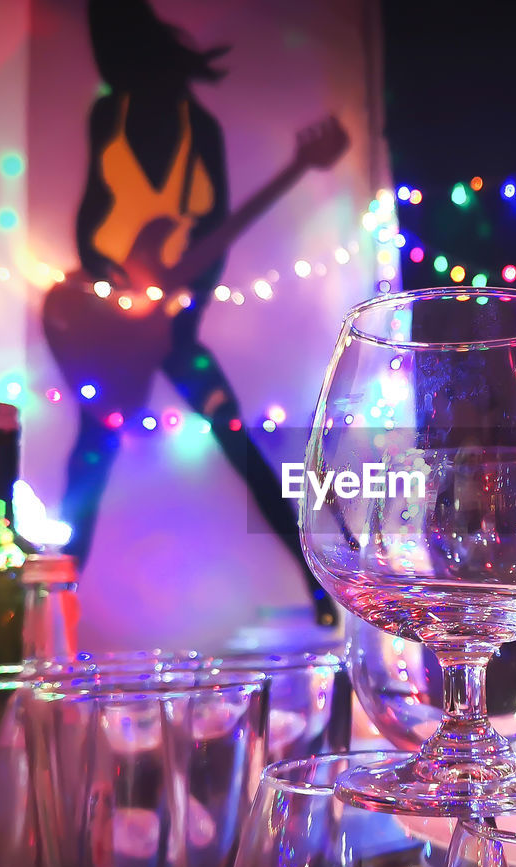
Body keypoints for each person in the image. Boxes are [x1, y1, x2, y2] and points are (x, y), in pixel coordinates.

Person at [58, 0, 341, 626]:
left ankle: (320, 588)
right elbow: (89, 216)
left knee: (234, 441)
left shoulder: (199, 130)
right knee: (92, 450)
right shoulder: (110, 114)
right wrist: (110, 284)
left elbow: (214, 235)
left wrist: (181, 306)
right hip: (115, 327)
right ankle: (56, 604)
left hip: (175, 328)